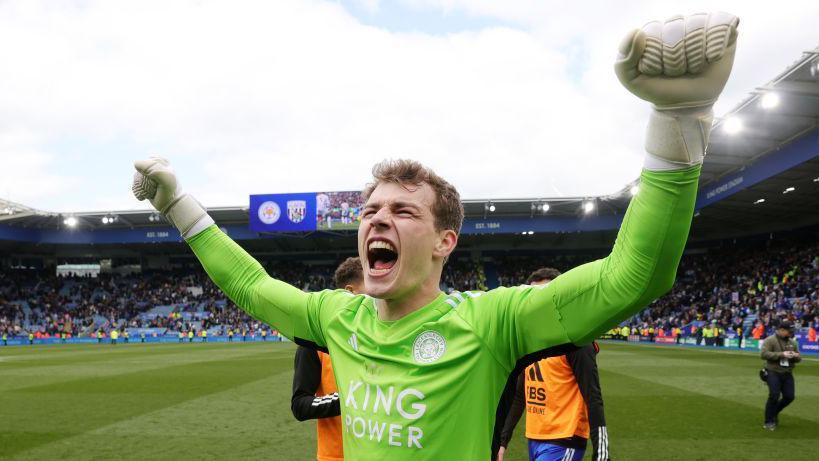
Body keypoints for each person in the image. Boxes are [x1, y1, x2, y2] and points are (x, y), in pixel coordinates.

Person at [130, 13, 738, 458]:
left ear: (446, 241)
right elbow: (249, 283)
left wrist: (677, 126)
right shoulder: (335, 319)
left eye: (403, 211)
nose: (377, 219)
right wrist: (179, 207)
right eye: (370, 210)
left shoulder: (493, 323)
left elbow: (634, 276)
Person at [497, 268, 610, 461]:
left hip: (565, 439)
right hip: (535, 438)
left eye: (546, 295)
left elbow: (593, 396)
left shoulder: (576, 341)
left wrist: (602, 453)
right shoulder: (528, 339)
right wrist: (502, 441)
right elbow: (519, 395)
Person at [292, 257, 364, 461]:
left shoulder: (387, 335)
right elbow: (300, 405)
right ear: (350, 292)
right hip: (336, 457)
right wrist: (351, 399)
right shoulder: (315, 343)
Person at [761, 321, 801, 430]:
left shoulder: (793, 342)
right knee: (774, 395)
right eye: (789, 331)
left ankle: (774, 412)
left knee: (789, 397)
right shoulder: (770, 340)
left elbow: (799, 359)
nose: (791, 333)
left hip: (787, 372)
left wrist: (796, 356)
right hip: (773, 371)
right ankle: (768, 421)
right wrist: (781, 354)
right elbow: (763, 354)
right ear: (781, 330)